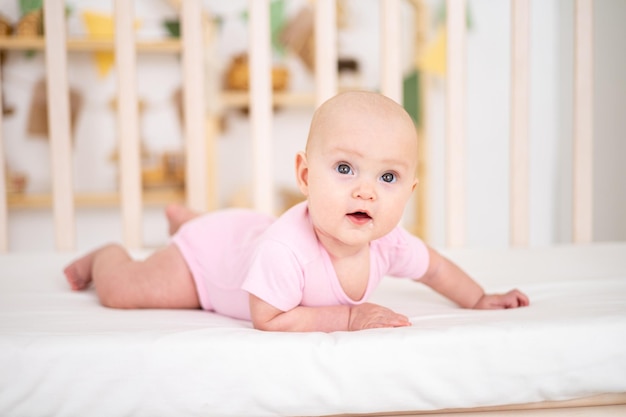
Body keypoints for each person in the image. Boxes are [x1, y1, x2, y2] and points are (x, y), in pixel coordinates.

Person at [64, 91, 529, 332]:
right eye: (345, 168)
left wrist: (477, 298)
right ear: (305, 177)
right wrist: (348, 319)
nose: (367, 191)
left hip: (243, 234)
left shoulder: (389, 240)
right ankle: (108, 254)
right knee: (126, 291)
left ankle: (193, 219)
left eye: (387, 178)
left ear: (409, 191)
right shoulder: (287, 251)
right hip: (207, 265)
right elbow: (268, 317)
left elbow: (437, 270)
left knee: (236, 236)